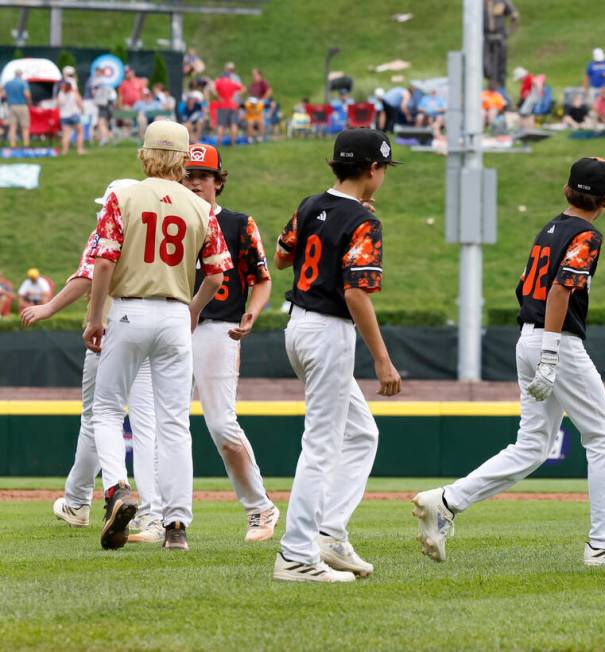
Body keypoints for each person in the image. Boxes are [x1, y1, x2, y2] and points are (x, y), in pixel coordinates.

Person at [413, 157, 605, 568]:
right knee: (601, 437)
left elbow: (524, 286)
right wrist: (550, 352)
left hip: (528, 337)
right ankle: (604, 543)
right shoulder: (587, 233)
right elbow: (562, 289)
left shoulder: (549, 227)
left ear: (567, 190)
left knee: (532, 446)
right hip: (555, 341)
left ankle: (446, 501)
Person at [83, 120, 232, 552]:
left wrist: (95, 316)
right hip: (174, 315)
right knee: (174, 425)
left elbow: (105, 261)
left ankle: (116, 490)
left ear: (144, 154)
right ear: (184, 160)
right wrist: (193, 311)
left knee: (107, 411)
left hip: (129, 309)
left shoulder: (122, 195)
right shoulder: (199, 206)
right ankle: (177, 525)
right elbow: (218, 272)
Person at [272, 128, 401, 583]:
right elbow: (355, 293)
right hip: (328, 332)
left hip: (298, 326)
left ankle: (328, 534)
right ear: (372, 169)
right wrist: (382, 359)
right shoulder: (364, 222)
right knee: (322, 446)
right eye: (384, 168)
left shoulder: (310, 204)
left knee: (362, 435)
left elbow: (282, 256)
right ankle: (295, 554)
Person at [20, 179, 164, 543]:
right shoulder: (157, 228)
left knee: (97, 418)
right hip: (157, 331)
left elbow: (89, 274)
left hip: (113, 331)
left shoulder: (108, 227)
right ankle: (153, 513)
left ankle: (79, 501)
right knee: (148, 425)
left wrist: (51, 307)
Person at [182, 144, 279, 542]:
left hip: (218, 327)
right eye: (189, 175)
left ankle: (260, 507)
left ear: (219, 182)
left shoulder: (239, 224)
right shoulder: (170, 220)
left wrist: (251, 314)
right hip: (172, 326)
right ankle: (158, 515)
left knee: (221, 423)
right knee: (160, 423)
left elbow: (262, 279)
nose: (196, 182)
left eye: (204, 176)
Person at [483, 0, 519, 88]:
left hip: (499, 36)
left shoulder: (502, 2)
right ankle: (491, 84)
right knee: (486, 66)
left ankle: (500, 89)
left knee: (500, 66)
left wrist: (508, 32)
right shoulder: (479, 3)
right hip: (486, 36)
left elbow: (514, 16)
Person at [214, 62, 245, 146]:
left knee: (221, 125)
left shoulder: (219, 82)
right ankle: (233, 142)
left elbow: (212, 88)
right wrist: (235, 95)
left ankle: (219, 143)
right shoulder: (232, 83)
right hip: (232, 105)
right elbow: (243, 88)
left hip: (222, 105)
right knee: (233, 124)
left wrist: (218, 97)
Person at [3, 68, 31, 148]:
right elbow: (26, 94)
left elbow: (4, 94)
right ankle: (26, 145)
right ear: (21, 74)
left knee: (12, 127)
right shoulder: (23, 82)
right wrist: (29, 102)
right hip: (22, 105)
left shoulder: (8, 83)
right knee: (25, 127)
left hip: (11, 106)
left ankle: (13, 146)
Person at [57, 80, 85, 155]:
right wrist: (82, 110)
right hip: (74, 114)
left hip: (64, 116)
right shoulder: (74, 93)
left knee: (66, 134)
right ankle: (80, 150)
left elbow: (58, 105)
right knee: (80, 133)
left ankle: (64, 151)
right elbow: (79, 102)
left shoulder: (60, 93)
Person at [91, 66, 116, 146]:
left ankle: (104, 139)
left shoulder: (98, 81)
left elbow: (94, 92)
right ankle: (104, 138)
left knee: (101, 123)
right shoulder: (108, 81)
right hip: (109, 104)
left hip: (103, 104)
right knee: (103, 123)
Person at [247, 68, 272, 142]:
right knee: (250, 122)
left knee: (260, 121)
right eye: (253, 75)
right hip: (252, 104)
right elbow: (250, 93)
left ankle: (260, 137)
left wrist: (262, 100)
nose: (254, 76)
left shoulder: (263, 83)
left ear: (259, 75)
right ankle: (250, 138)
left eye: (255, 74)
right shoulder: (253, 84)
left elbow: (269, 91)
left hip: (259, 104)